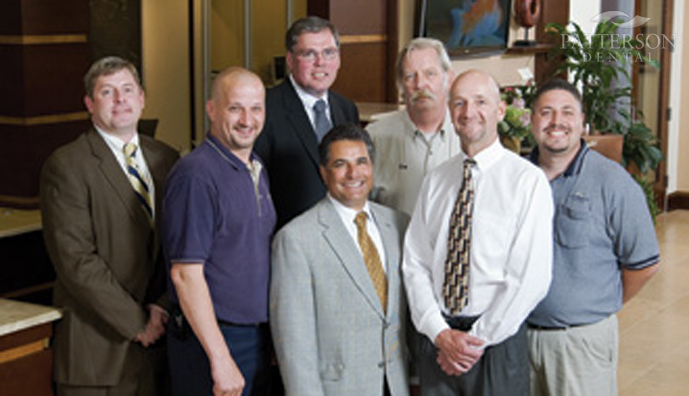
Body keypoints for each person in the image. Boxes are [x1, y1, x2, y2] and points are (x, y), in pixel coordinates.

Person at [402, 70, 553, 396]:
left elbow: (530, 279)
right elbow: (415, 264)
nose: (469, 112)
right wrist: (440, 334)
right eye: (459, 103)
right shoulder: (436, 180)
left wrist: (474, 341)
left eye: (480, 101)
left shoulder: (526, 181)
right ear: (450, 112)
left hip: (494, 343)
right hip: (438, 340)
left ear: (500, 110)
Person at [40, 56, 179, 396]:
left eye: (128, 90)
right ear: (89, 103)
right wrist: (136, 323)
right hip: (97, 354)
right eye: (107, 92)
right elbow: (76, 261)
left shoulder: (167, 159)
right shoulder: (67, 165)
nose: (120, 100)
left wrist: (162, 305)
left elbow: (177, 242)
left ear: (142, 98)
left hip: (159, 349)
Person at [526, 78, 660, 396]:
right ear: (532, 122)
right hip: (518, 339)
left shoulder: (613, 183)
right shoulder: (516, 178)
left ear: (582, 122)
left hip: (581, 343)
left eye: (567, 112)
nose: (557, 121)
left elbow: (643, 265)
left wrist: (596, 304)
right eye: (546, 112)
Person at [270, 124, 410, 396]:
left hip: (395, 385)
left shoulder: (399, 224)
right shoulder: (296, 239)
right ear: (323, 173)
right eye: (340, 164)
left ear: (372, 167)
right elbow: (294, 342)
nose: (353, 173)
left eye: (361, 162)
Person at [162, 67, 275, 396]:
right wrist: (220, 357)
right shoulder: (195, 175)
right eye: (235, 107)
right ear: (212, 109)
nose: (247, 119)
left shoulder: (255, 166)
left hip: (254, 335)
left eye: (256, 108)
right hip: (213, 340)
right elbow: (185, 274)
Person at [255, 16, 360, 229]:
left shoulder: (347, 109)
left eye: (328, 53)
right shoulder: (265, 109)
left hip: (341, 233)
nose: (320, 62)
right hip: (287, 238)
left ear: (338, 59)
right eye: (309, 54)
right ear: (290, 60)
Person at [367, 37, 461, 215]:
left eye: (430, 74)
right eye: (410, 76)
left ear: (448, 78)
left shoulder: (466, 135)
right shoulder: (375, 137)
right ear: (401, 84)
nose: (420, 84)